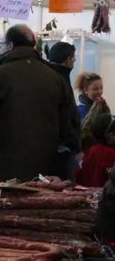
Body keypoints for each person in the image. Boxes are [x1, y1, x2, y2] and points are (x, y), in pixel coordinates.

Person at [0, 24, 77, 181]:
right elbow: (68, 124)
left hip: (0, 170)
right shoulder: (55, 78)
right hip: (43, 170)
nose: (0, 49)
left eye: (2, 45)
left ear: (10, 45)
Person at [47, 41, 81, 181]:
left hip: (54, 143)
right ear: (67, 59)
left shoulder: (50, 76)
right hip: (62, 147)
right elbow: (65, 115)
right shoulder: (61, 80)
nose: (74, 61)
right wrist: (73, 141)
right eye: (73, 58)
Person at [76, 113, 115, 187]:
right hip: (107, 195)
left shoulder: (91, 150)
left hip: (87, 194)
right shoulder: (112, 153)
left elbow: (79, 173)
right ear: (111, 135)